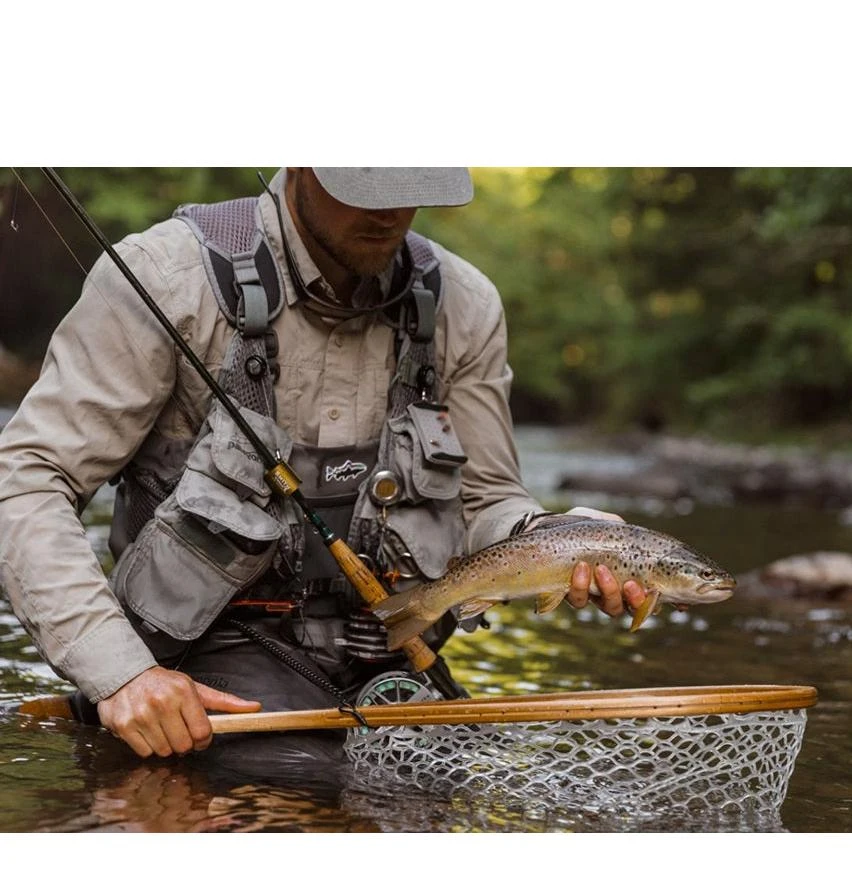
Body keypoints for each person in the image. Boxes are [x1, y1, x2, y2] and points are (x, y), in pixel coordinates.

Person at [0, 168, 646, 764]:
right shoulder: (165, 276)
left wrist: (554, 538)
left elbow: (487, 500)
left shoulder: (463, 303)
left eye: (413, 186)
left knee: (438, 796)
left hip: (393, 653)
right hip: (205, 660)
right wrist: (120, 674)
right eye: (364, 188)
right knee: (294, 791)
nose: (391, 212)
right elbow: (27, 479)